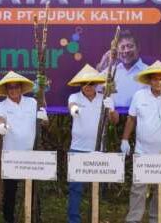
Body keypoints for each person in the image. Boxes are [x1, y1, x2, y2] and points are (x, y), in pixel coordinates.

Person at [120, 61, 161, 223]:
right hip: (143, 151)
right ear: (149, 80)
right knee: (138, 189)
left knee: (160, 190)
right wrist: (125, 139)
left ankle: (156, 219)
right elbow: (131, 118)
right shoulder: (139, 95)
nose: (158, 82)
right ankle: (133, 220)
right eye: (154, 79)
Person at [0, 71, 49, 223]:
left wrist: (44, 118)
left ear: (20, 87)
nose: (13, 90)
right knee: (10, 192)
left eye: (16, 86)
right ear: (6, 89)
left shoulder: (32, 102)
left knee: (33, 191)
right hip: (11, 156)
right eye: (10, 87)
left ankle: (36, 218)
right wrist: (1, 126)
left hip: (31, 155)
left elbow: (44, 123)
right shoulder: (1, 105)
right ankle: (8, 219)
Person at [66, 64, 119, 223]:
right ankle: (73, 219)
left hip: (98, 149)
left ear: (96, 84)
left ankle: (94, 217)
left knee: (97, 188)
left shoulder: (105, 98)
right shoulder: (74, 97)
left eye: (91, 83)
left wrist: (111, 109)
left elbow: (115, 121)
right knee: (75, 189)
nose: (88, 86)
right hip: (77, 149)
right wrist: (75, 110)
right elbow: (72, 107)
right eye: (84, 83)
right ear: (80, 85)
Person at [97, 29, 148, 108]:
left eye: (130, 46)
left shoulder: (148, 72)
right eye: (122, 47)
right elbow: (93, 87)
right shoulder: (111, 71)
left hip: (139, 118)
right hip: (113, 117)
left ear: (138, 48)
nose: (126, 51)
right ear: (117, 51)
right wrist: (103, 62)